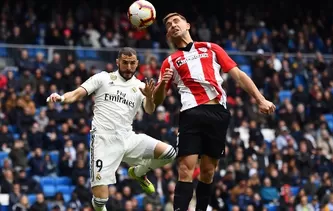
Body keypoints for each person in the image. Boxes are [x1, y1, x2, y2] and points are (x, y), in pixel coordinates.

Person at [154, 13, 276, 211]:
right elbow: (158, 99)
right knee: (185, 169)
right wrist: (160, 87)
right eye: (168, 25)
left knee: (208, 172)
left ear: (187, 25)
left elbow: (238, 75)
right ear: (168, 35)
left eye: (176, 21)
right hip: (190, 114)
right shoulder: (169, 62)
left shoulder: (211, 48)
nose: (173, 25)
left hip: (217, 113)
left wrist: (260, 99)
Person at [47, 47, 176, 211]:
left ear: (137, 64)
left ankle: (138, 172)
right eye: (125, 63)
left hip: (128, 138)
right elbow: (78, 93)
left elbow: (150, 110)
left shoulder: (140, 86)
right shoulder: (103, 78)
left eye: (132, 63)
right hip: (103, 140)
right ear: (117, 62)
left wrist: (150, 97)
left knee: (169, 153)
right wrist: (62, 98)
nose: (128, 67)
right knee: (101, 200)